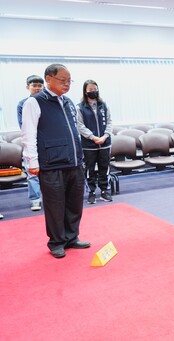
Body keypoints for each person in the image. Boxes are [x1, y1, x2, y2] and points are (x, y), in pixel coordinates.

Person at [21, 63, 91, 259]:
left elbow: (73, 132)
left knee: (74, 203)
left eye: (69, 81)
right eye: (63, 80)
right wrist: (32, 162)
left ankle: (71, 237)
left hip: (74, 162)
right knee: (55, 205)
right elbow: (28, 134)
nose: (67, 84)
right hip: (51, 163)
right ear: (48, 79)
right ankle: (57, 242)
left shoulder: (68, 102)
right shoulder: (34, 103)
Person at [76, 79, 113, 204]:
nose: (93, 91)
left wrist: (105, 136)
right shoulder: (80, 107)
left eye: (95, 89)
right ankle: (91, 192)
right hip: (89, 145)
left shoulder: (104, 105)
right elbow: (80, 125)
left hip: (105, 143)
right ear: (85, 92)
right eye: (90, 89)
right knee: (89, 169)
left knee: (104, 167)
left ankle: (104, 191)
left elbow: (109, 122)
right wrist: (93, 137)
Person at [17, 75, 44, 211]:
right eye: (34, 85)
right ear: (28, 87)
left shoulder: (47, 102)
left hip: (46, 144)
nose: (38, 88)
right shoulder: (23, 104)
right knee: (32, 173)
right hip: (32, 143)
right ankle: (35, 199)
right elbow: (25, 127)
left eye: (40, 85)